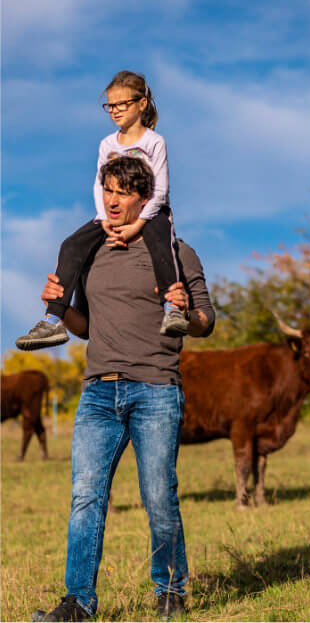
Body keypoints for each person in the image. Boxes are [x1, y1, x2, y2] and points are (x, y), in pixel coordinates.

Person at [32, 155, 215, 621]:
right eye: (107, 191)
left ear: (143, 199)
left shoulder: (175, 252)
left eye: (122, 193)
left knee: (158, 495)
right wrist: (59, 303)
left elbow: (205, 322)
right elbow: (87, 327)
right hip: (97, 392)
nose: (112, 201)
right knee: (86, 497)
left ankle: (170, 592)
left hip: (155, 389)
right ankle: (78, 602)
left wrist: (186, 309)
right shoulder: (91, 252)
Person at [16, 70, 187, 352]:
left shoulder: (154, 142)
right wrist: (104, 218)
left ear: (142, 104)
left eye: (123, 104)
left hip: (150, 212)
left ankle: (172, 307)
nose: (115, 111)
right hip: (110, 214)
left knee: (161, 240)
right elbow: (99, 185)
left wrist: (138, 225)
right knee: (71, 245)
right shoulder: (107, 144)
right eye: (110, 105)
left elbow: (161, 190)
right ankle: (53, 319)